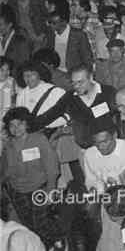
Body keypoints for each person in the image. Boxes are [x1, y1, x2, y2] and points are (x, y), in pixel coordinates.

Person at [0, 107, 65, 249]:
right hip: (17, 191)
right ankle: (44, 246)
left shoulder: (39, 139)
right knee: (29, 225)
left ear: (27, 124)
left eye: (19, 124)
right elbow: (5, 170)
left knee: (40, 223)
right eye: (12, 125)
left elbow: (52, 167)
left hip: (39, 188)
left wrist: (51, 189)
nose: (16, 128)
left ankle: (59, 240)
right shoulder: (8, 145)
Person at [83, 120, 125, 194]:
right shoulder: (89, 154)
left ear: (115, 135)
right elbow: (91, 181)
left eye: (104, 142)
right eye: (96, 143)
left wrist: (119, 194)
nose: (100, 147)